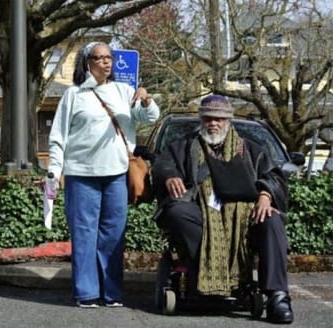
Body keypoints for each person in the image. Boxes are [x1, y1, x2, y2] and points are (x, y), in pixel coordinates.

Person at [151, 94, 294, 324]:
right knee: (177, 213)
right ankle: (203, 275)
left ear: (228, 121)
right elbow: (161, 164)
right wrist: (169, 177)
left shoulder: (250, 149)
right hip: (199, 213)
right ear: (201, 119)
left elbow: (273, 176)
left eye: (219, 119)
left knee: (272, 221)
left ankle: (278, 297)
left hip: (244, 215)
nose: (213, 123)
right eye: (208, 118)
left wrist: (266, 196)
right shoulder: (184, 145)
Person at [47, 41, 160, 308]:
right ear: (87, 63)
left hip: (117, 173)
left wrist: (146, 100)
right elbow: (58, 137)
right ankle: (86, 293)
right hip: (80, 172)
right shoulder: (73, 95)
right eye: (99, 58)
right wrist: (54, 169)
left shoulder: (124, 90)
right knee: (84, 233)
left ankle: (112, 293)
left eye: (109, 57)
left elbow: (149, 118)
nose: (106, 62)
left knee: (113, 234)